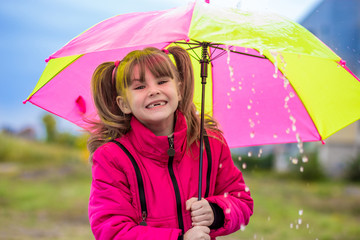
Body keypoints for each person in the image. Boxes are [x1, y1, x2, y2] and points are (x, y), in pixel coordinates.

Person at [88, 46, 253, 240]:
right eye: (140, 87)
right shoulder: (112, 157)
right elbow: (112, 229)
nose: (154, 91)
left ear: (180, 90)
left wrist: (216, 212)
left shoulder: (211, 144)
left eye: (162, 81)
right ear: (124, 104)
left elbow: (241, 201)